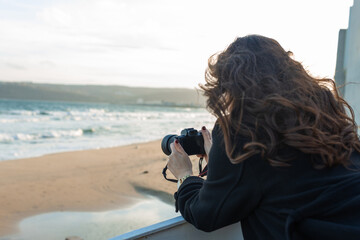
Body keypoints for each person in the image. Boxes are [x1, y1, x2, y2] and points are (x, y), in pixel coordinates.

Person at [167, 35, 360, 240]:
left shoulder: (243, 131)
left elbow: (206, 214)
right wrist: (218, 161)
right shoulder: (326, 115)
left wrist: (185, 175)